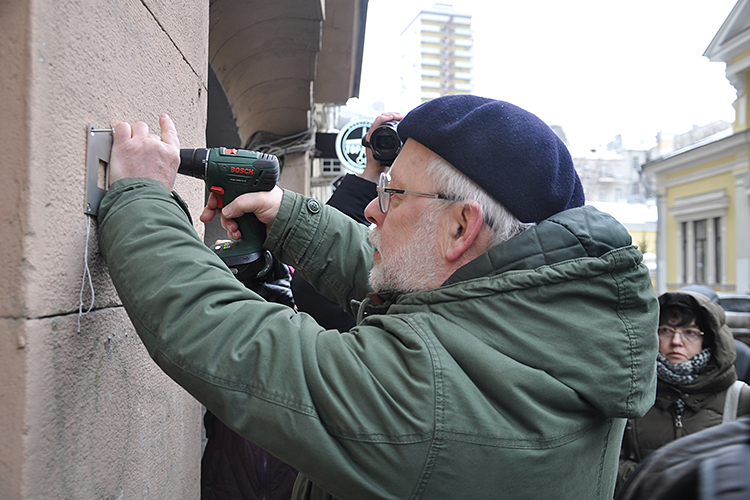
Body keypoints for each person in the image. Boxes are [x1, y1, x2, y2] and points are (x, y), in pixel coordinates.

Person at [98, 95, 659, 499]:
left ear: (461, 228)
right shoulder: (557, 319)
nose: (371, 207)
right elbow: (414, 282)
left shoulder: (428, 400)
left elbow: (230, 339)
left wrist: (141, 195)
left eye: (392, 194)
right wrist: (288, 216)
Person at [617, 290, 750, 492]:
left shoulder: (739, 398)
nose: (676, 342)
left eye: (690, 332)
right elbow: (608, 465)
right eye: (666, 330)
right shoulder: (630, 393)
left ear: (709, 339)